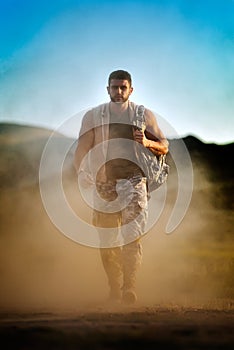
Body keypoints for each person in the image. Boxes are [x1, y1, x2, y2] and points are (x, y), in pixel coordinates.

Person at [74, 70, 169, 304]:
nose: (118, 92)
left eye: (123, 87)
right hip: (104, 181)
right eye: (114, 87)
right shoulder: (93, 116)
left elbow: (164, 145)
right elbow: (81, 149)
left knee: (131, 236)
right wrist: (82, 171)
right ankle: (114, 287)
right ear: (107, 89)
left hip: (135, 179)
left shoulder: (143, 114)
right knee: (107, 239)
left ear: (131, 90)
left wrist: (147, 142)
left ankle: (129, 287)